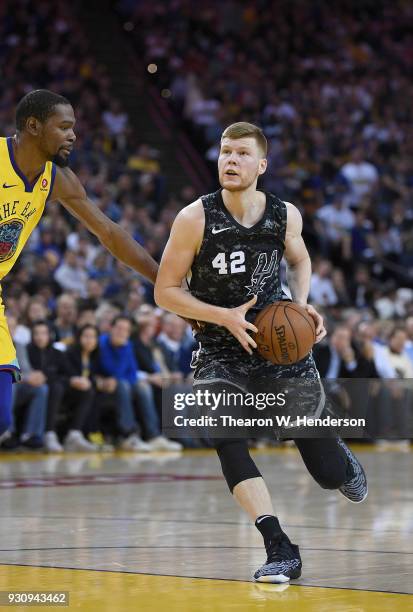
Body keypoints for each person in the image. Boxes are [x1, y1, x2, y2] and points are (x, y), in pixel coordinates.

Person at [155, 122, 368, 583]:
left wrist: (302, 302)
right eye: (225, 152)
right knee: (224, 434)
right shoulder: (194, 218)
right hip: (219, 345)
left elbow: (301, 259)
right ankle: (279, 544)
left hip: (279, 345)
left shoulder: (284, 214)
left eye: (241, 154)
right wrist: (222, 315)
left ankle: (338, 454)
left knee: (331, 475)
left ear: (261, 165)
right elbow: (165, 291)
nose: (230, 160)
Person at [0, 89, 158, 444]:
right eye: (64, 127)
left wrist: (162, 280)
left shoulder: (56, 179)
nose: (73, 135)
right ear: (33, 126)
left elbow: (111, 234)